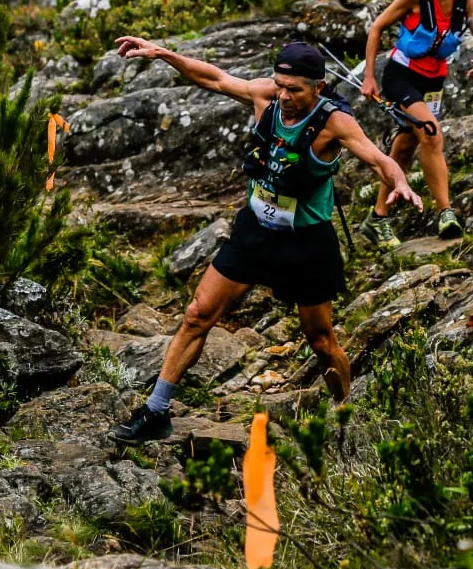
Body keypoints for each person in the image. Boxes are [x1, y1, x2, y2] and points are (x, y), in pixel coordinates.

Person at [107, 38, 423, 445]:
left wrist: (399, 182)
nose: (284, 96)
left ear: (319, 88)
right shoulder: (266, 98)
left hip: (306, 242)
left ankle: (346, 417)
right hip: (255, 230)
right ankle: (155, 411)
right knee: (198, 314)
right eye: (280, 86)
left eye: (295, 90)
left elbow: (379, 159)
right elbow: (215, 78)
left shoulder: (334, 122)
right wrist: (164, 54)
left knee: (322, 341)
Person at [360, 0, 473, 249]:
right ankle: (445, 212)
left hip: (433, 82)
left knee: (407, 145)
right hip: (401, 76)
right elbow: (376, 28)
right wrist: (369, 77)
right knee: (432, 135)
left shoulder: (466, 0)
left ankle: (378, 219)